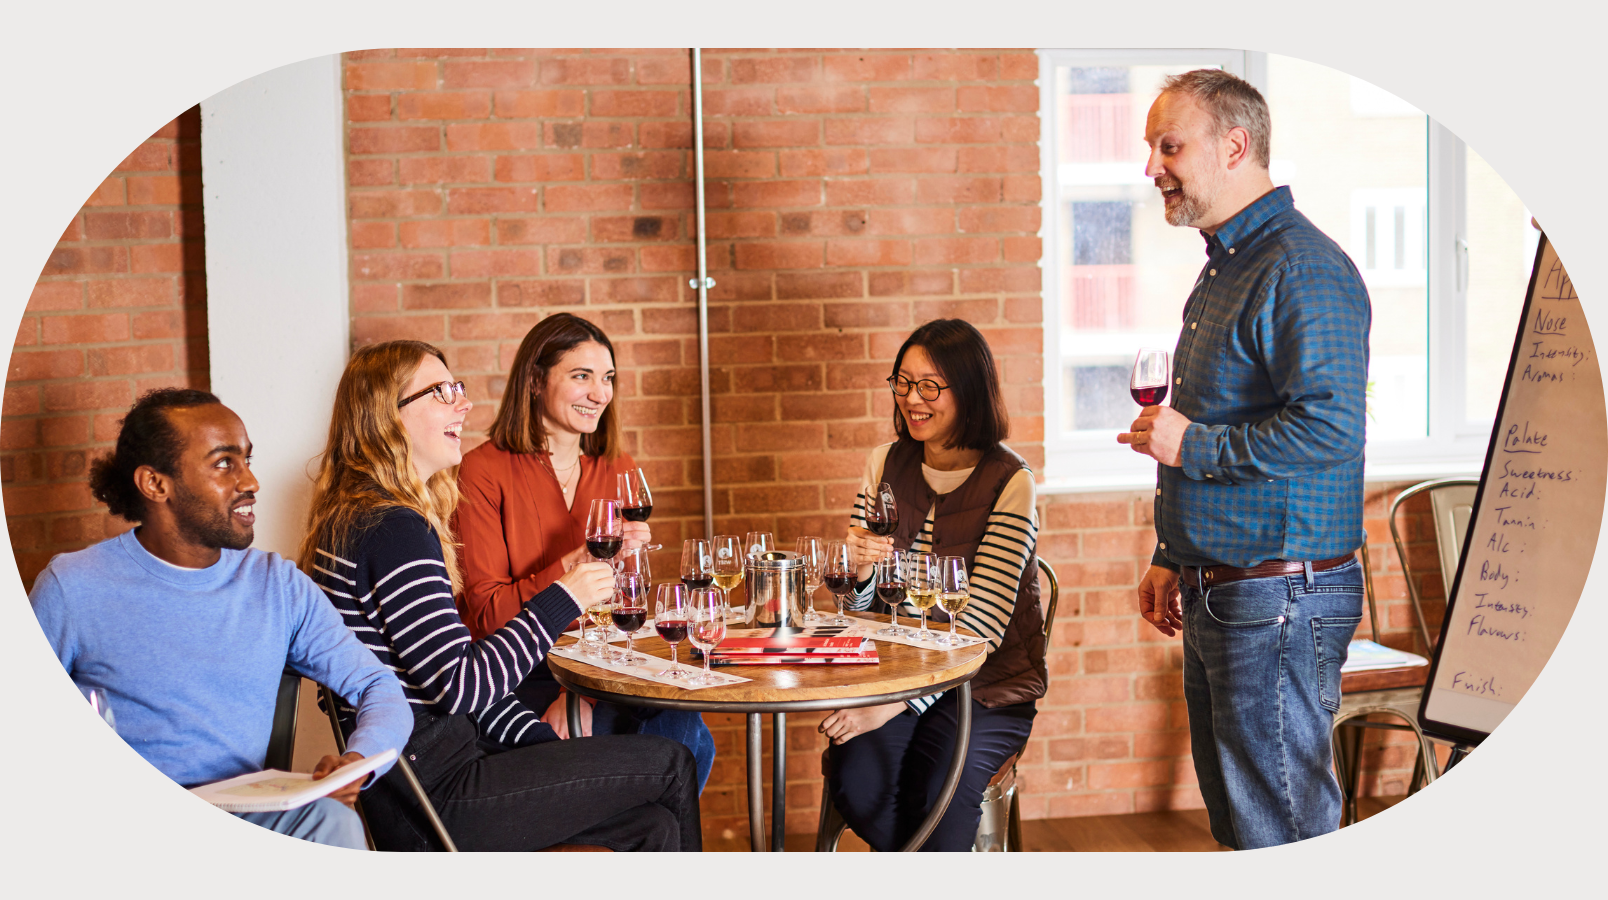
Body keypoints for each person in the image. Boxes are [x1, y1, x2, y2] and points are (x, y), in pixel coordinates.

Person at [300, 340, 700, 852]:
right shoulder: (393, 529)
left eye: (458, 389)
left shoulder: (365, 516)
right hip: (434, 797)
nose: (463, 404)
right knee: (671, 762)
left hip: (436, 772)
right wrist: (564, 595)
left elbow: (451, 686)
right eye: (442, 392)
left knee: (653, 826)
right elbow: (460, 688)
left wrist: (543, 748)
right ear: (387, 415)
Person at [1118, 69, 1372, 850]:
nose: (1153, 166)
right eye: (1152, 148)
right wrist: (1173, 554)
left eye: (1169, 146)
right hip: (1226, 589)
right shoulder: (1228, 265)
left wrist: (1190, 443)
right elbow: (1226, 419)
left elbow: (1332, 429)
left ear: (1234, 146)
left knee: (1282, 831)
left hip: (1278, 598)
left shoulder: (1299, 267)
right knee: (1243, 827)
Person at [31, 388, 411, 849]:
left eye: (248, 460)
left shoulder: (278, 585)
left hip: (245, 818)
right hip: (123, 829)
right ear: (156, 484)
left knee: (333, 823)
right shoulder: (73, 586)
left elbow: (378, 686)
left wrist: (360, 759)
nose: (250, 481)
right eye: (224, 463)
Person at [455, 313, 715, 789]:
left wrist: (584, 694)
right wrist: (572, 567)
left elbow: (627, 608)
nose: (600, 393)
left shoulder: (617, 467)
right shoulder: (481, 471)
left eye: (608, 378)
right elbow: (485, 616)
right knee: (674, 744)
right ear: (535, 381)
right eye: (582, 376)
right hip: (518, 678)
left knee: (686, 732)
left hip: (606, 672)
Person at [822, 318, 1045, 852]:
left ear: (967, 391)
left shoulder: (1012, 482)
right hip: (894, 677)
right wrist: (860, 574)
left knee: (939, 795)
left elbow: (979, 631)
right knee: (860, 784)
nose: (911, 400)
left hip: (987, 688)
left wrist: (896, 705)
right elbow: (860, 612)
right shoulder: (884, 462)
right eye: (902, 382)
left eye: (929, 386)